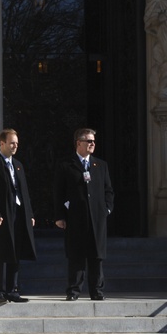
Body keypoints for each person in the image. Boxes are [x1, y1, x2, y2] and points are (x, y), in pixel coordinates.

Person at [53, 128, 114, 301]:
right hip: (75, 217)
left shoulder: (100, 165)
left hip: (97, 218)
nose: (92, 144)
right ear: (78, 143)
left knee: (96, 256)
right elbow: (58, 192)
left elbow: (108, 190)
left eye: (93, 141)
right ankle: (74, 290)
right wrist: (59, 216)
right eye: (88, 141)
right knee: (76, 255)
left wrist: (106, 209)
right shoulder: (66, 164)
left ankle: (96, 290)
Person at [0, 128, 36, 304]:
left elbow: (24, 192)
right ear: (2, 143)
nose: (15, 146)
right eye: (12, 143)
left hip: (18, 213)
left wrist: (29, 214)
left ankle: (12, 290)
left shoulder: (17, 164)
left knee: (15, 251)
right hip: (0, 216)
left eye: (17, 144)